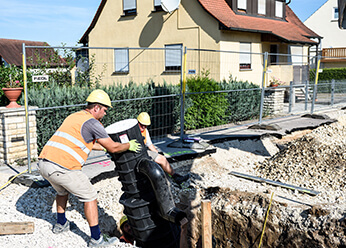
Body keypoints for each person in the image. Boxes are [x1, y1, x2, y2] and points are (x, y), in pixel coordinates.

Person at [38, 89, 141, 247]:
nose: (105, 114)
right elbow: (113, 147)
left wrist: (104, 148)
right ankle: (96, 240)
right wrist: (128, 145)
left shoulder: (75, 116)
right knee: (91, 197)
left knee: (62, 191)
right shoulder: (94, 123)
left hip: (44, 164)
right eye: (104, 110)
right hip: (63, 167)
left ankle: (61, 224)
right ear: (97, 108)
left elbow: (88, 143)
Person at [137, 112, 190, 184]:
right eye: (142, 125)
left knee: (162, 158)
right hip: (137, 154)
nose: (144, 127)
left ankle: (175, 177)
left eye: (145, 126)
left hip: (143, 152)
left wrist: (158, 153)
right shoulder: (133, 131)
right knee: (160, 160)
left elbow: (149, 145)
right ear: (137, 122)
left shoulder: (145, 131)